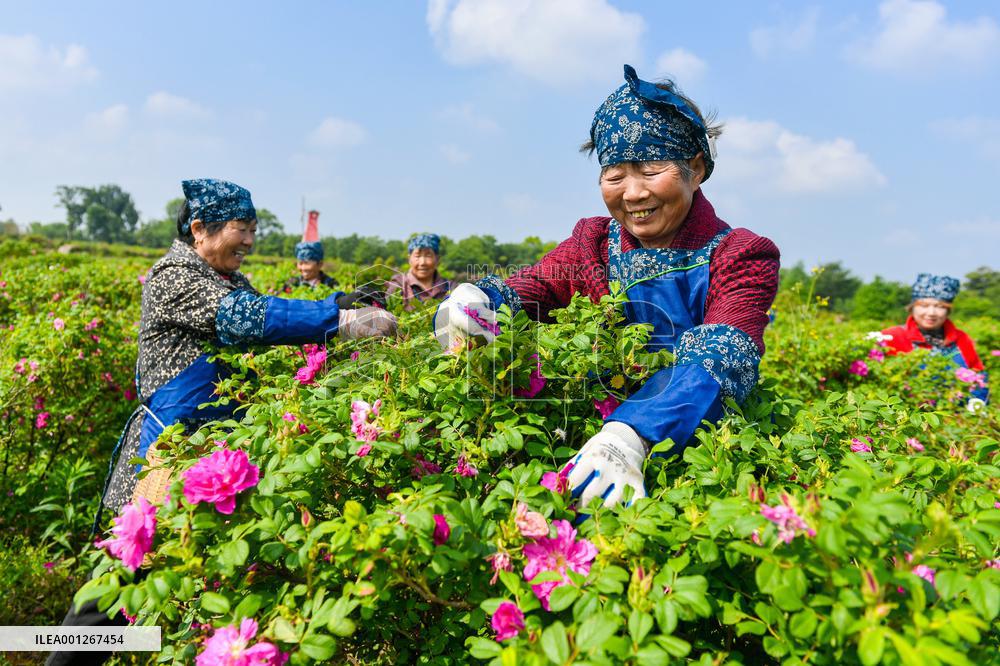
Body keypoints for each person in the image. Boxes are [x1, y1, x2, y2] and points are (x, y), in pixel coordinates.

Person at [48, 179, 397, 666]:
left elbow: (273, 317)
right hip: (164, 457)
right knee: (112, 593)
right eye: (242, 228)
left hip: (214, 462)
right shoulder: (175, 276)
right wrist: (335, 318)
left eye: (254, 229)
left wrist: (337, 304)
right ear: (199, 229)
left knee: (203, 593)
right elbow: (248, 318)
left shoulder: (227, 279)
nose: (251, 241)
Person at [434, 65, 780, 509]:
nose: (633, 193)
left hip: (700, 451)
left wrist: (630, 434)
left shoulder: (740, 255)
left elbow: (721, 354)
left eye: (652, 168)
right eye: (615, 175)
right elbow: (539, 285)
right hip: (584, 446)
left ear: (695, 169)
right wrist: (481, 299)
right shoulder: (593, 244)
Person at [881, 273, 989, 407]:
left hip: (958, 419)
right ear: (912, 307)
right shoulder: (892, 336)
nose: (931, 313)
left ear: (948, 310)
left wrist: (975, 405)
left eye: (940, 306)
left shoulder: (961, 338)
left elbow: (979, 374)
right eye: (924, 305)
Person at [385, 233, 452, 310]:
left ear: (437, 259)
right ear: (409, 259)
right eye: (417, 256)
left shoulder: (451, 287)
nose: (422, 262)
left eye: (428, 255)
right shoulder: (398, 285)